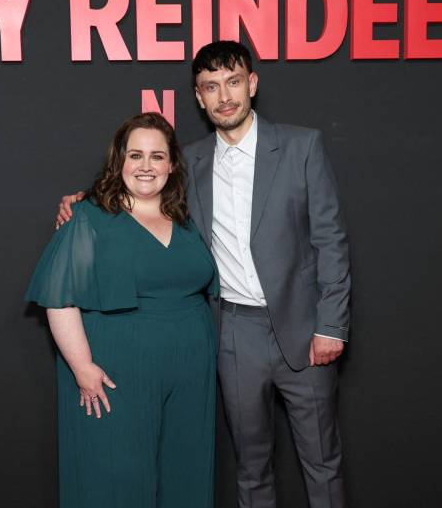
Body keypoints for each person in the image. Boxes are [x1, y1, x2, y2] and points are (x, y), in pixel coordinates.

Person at [57, 41, 351, 508]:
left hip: (304, 331)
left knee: (322, 459)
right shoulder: (190, 162)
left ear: (252, 84)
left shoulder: (301, 146)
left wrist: (330, 325)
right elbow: (138, 183)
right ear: (199, 97)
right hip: (231, 332)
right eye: (211, 87)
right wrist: (82, 200)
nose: (224, 96)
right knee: (251, 466)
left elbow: (330, 241)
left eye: (233, 82)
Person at [26, 112, 219, 508]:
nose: (146, 166)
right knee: (116, 478)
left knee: (184, 475)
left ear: (171, 165)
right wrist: (82, 368)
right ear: (120, 162)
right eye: (136, 155)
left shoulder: (186, 219)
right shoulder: (88, 217)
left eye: (157, 156)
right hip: (115, 373)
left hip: (190, 373)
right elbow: (60, 299)